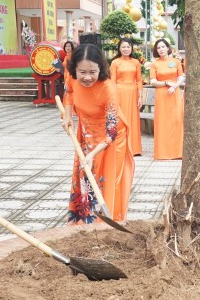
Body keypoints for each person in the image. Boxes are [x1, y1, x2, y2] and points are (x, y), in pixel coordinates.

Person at [63, 43, 135, 223]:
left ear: (100, 69)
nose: (87, 77)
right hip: (86, 131)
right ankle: (85, 219)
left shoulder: (109, 88)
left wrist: (92, 154)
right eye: (82, 72)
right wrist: (67, 114)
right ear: (75, 69)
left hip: (111, 137)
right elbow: (69, 93)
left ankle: (109, 221)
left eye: (92, 72)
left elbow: (111, 132)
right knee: (85, 176)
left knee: (107, 178)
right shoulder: (71, 79)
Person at [149, 38, 184, 160]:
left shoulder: (176, 62)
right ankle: (163, 152)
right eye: (158, 48)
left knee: (177, 121)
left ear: (168, 48)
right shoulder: (155, 64)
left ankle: (177, 152)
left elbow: (180, 77)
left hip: (174, 93)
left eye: (163, 47)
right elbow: (153, 81)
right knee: (163, 122)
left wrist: (174, 86)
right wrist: (166, 83)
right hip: (162, 95)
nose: (161, 49)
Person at [109, 38, 143, 156]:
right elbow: (112, 81)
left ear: (131, 48)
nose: (126, 49)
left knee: (133, 119)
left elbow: (139, 81)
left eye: (128, 46)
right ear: (119, 48)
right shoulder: (115, 62)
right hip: (119, 92)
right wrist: (112, 96)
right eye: (123, 47)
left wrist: (140, 96)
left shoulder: (136, 62)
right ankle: (120, 147)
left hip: (133, 93)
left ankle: (134, 148)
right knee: (121, 119)